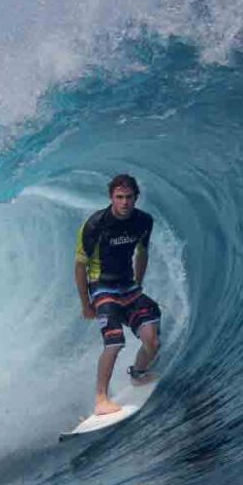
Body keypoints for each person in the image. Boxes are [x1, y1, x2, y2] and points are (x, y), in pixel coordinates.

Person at [74, 174, 161, 416]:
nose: (124, 202)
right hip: (102, 286)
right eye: (119, 197)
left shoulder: (144, 221)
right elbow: (80, 266)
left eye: (129, 197)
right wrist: (86, 303)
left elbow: (142, 253)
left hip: (128, 285)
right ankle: (101, 399)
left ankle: (138, 373)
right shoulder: (95, 225)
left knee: (152, 340)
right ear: (111, 198)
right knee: (114, 342)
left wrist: (139, 284)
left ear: (136, 198)